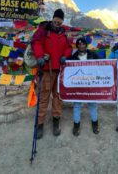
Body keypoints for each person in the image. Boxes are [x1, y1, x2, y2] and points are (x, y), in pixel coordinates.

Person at [31, 8, 72, 139]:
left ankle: (56, 121)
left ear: (62, 21)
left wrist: (65, 55)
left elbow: (68, 47)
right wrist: (40, 56)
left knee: (57, 97)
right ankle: (40, 124)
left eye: (60, 21)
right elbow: (36, 43)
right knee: (43, 98)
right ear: (53, 18)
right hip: (46, 69)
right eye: (56, 20)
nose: (57, 23)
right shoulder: (43, 30)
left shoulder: (64, 34)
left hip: (59, 71)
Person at [69, 37, 100, 136]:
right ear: (77, 46)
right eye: (79, 44)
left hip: (91, 84)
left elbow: (101, 66)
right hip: (78, 85)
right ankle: (76, 125)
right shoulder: (73, 57)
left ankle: (95, 124)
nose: (81, 46)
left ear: (86, 45)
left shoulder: (93, 54)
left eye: (83, 44)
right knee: (77, 105)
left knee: (92, 104)